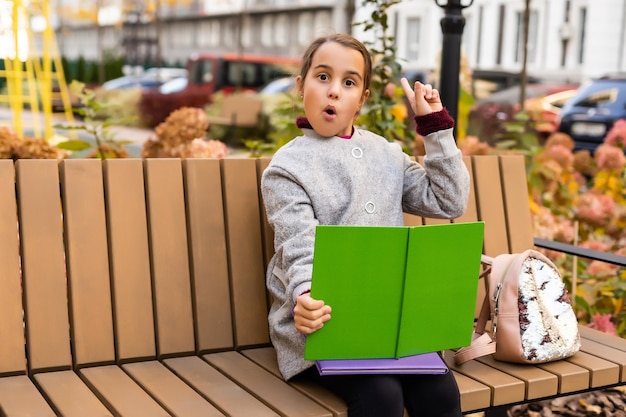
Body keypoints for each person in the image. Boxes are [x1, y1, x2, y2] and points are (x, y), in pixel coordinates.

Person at [261, 33, 470, 417]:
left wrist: (435, 129)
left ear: (362, 99)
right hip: (322, 321)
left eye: (349, 82)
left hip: (388, 321)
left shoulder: (386, 153)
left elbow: (449, 200)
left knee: (440, 393)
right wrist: (305, 296)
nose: (334, 92)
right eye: (322, 77)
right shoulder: (288, 168)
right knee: (381, 395)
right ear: (301, 85)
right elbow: (298, 245)